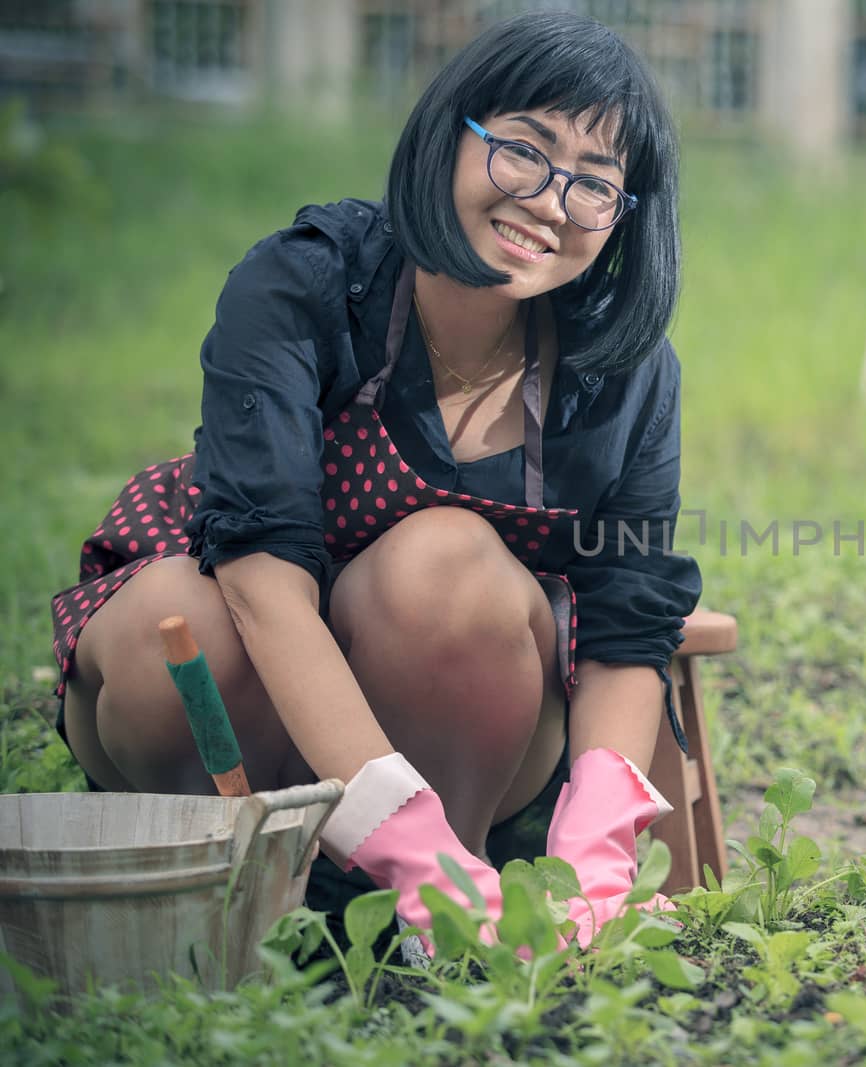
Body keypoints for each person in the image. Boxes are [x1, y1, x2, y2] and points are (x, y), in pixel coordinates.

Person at [47, 11, 700, 949]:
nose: (551, 202)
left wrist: (595, 856)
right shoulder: (307, 286)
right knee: (174, 617)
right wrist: (404, 839)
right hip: (246, 711)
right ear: (451, 133)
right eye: (524, 150)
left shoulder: (624, 374)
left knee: (446, 561)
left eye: (595, 183)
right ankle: (227, 889)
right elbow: (263, 580)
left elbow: (627, 620)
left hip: (456, 737)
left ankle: (437, 912)